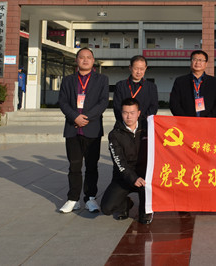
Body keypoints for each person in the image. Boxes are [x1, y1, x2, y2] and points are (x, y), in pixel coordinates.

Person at [58, 48, 109, 213]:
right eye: (82, 57)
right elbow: (63, 102)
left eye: (89, 57)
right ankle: (73, 199)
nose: (85, 60)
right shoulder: (68, 80)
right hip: (72, 129)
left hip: (92, 128)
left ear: (93, 61)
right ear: (76, 60)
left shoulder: (102, 79)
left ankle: (90, 198)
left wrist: (85, 118)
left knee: (92, 166)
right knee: (74, 166)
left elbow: (103, 102)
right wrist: (75, 117)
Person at [101, 98, 152, 224]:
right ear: (121, 113)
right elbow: (119, 162)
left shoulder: (148, 129)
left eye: (132, 113)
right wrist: (133, 178)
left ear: (138, 113)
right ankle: (125, 204)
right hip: (123, 176)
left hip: (144, 175)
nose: (129, 116)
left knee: (144, 219)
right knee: (106, 208)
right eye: (125, 113)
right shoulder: (115, 134)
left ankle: (145, 210)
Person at [170, 50, 216, 118]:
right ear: (191, 62)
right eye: (194, 60)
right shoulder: (180, 81)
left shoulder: (214, 82)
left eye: (201, 60)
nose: (197, 62)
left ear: (206, 63)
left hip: (208, 121)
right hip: (185, 121)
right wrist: (185, 119)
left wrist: (208, 119)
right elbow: (174, 104)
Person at [112, 55, 158, 123]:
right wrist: (126, 122)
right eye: (136, 68)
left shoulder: (151, 87)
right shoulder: (120, 85)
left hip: (144, 125)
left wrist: (139, 123)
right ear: (130, 68)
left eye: (142, 69)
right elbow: (117, 107)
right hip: (123, 124)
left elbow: (153, 107)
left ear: (145, 68)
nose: (139, 72)